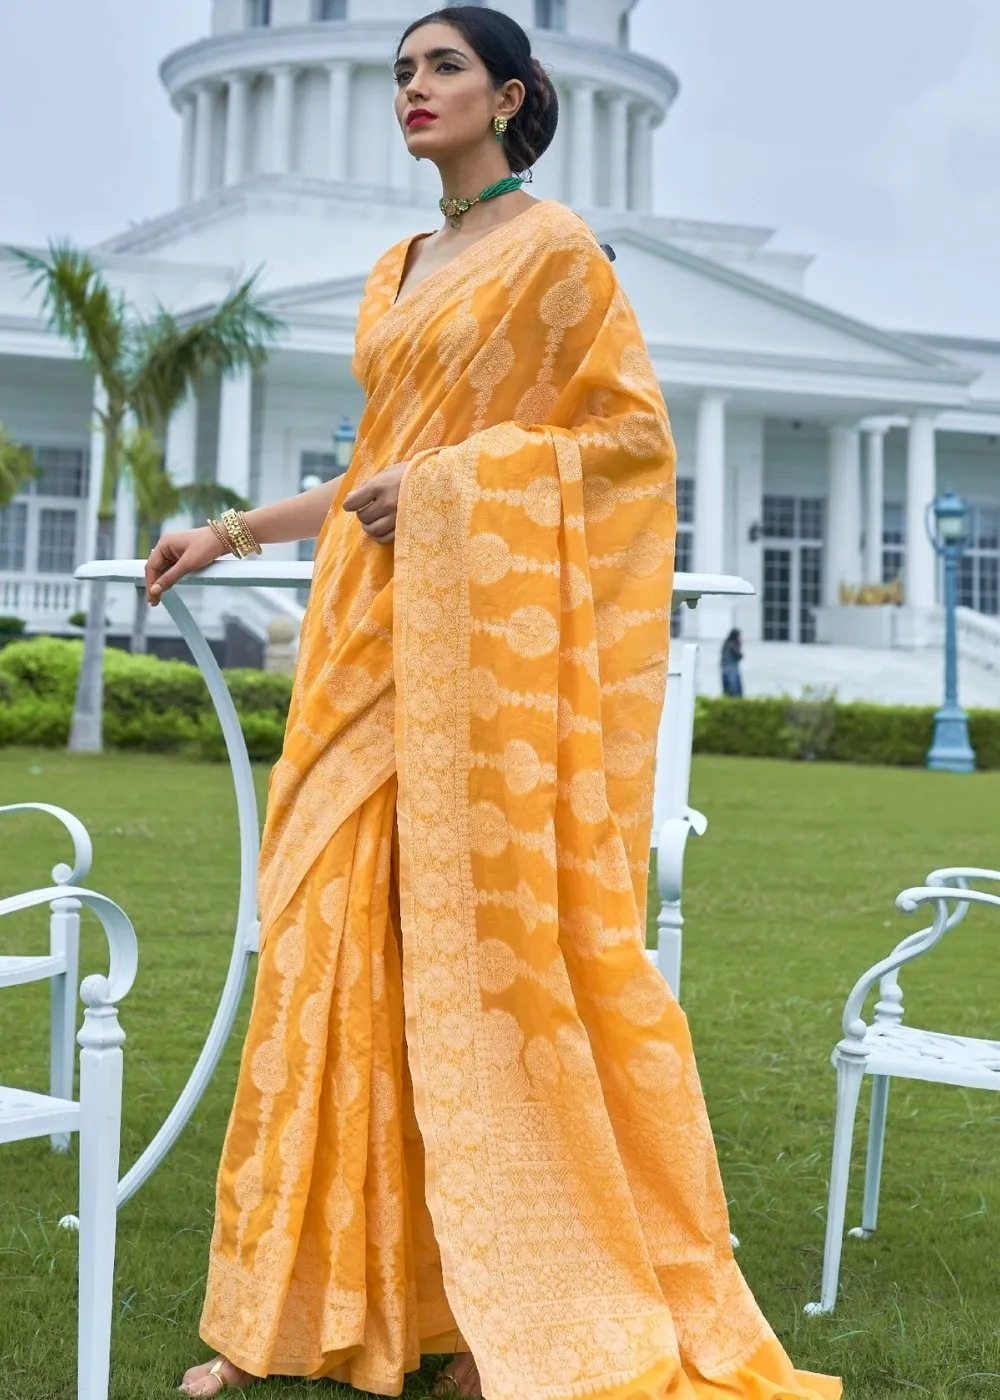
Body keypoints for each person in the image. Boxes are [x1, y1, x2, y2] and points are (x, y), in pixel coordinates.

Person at [145, 9, 840, 1399]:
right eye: (401, 70)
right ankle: (298, 1309)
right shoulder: (398, 267)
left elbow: (629, 440)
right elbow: (375, 471)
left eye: (442, 67)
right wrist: (229, 533)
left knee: (494, 960)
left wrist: (470, 485)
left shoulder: (558, 252)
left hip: (486, 669)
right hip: (365, 644)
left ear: (511, 96)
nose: (413, 88)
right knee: (333, 949)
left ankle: (519, 1300)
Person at [720, 629, 744, 697]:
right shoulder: (732, 645)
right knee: (735, 691)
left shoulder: (726, 644)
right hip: (732, 670)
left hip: (725, 670)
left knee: (727, 691)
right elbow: (739, 656)